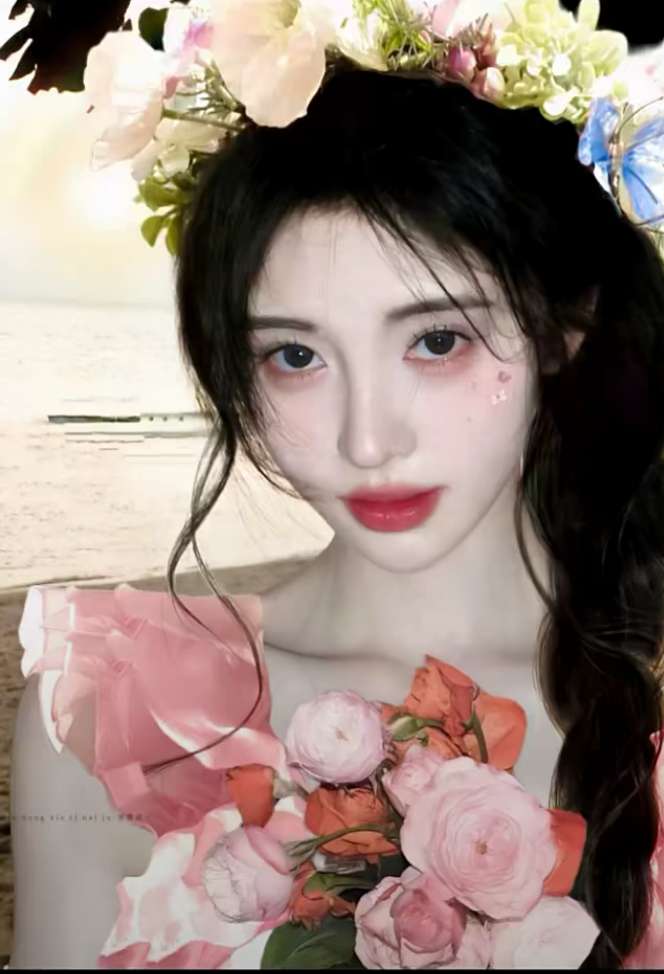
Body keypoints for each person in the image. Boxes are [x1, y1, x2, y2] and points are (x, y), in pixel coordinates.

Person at [8, 1, 664, 968]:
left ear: (565, 326)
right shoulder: (113, 721)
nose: (366, 440)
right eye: (295, 356)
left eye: (435, 340)